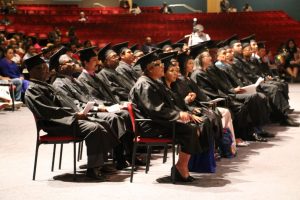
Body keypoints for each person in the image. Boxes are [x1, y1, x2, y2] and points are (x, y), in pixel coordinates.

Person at [24, 54, 120, 181]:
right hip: (55, 125)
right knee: (93, 128)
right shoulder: (33, 89)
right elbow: (49, 112)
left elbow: (67, 102)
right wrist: (75, 115)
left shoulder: (45, 85)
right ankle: (93, 169)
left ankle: (102, 162)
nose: (44, 70)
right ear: (31, 72)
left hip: (66, 120)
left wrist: (81, 112)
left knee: (103, 123)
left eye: (45, 67)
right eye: (39, 68)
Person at [129, 51, 202, 182]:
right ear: (150, 69)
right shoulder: (144, 85)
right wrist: (178, 114)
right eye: (158, 64)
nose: (163, 66)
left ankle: (181, 166)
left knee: (194, 126)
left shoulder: (153, 82)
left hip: (158, 122)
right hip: (150, 127)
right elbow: (155, 110)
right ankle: (181, 167)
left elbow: (166, 106)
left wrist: (184, 113)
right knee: (190, 129)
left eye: (162, 63)